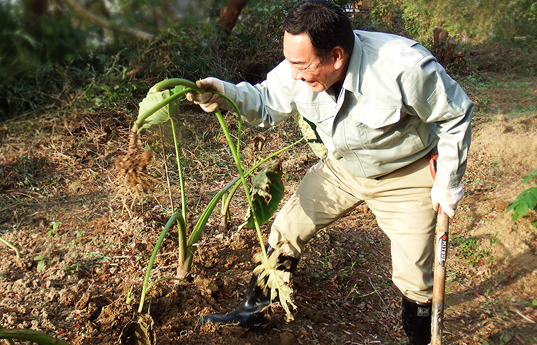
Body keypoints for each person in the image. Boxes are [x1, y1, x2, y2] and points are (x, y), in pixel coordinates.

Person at [185, 1, 472, 344]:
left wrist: (448, 182)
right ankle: (254, 312)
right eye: (290, 62)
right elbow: (264, 102)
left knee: (414, 275)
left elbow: (454, 116)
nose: (294, 74)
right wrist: (225, 93)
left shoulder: (403, 67)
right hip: (342, 168)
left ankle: (419, 340)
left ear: (336, 56)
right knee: (286, 229)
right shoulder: (299, 67)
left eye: (301, 66)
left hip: (404, 176)